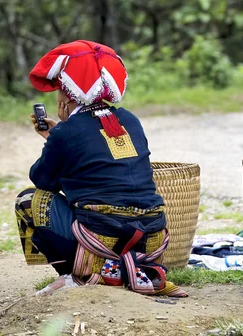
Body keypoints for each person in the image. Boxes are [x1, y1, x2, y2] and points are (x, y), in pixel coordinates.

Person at [15, 40, 187, 297]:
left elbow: (43, 180)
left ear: (68, 94)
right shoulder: (129, 119)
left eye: (60, 88)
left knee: (28, 200)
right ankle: (124, 267)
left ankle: (74, 274)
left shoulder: (66, 132)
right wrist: (59, 135)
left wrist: (57, 136)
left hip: (101, 237)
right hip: (150, 240)